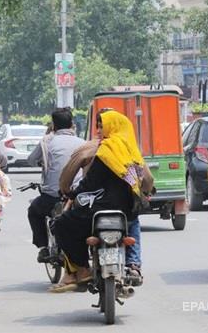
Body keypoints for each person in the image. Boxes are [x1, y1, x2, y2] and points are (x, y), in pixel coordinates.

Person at [51, 110, 146, 292]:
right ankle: (134, 265)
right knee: (134, 223)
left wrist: (72, 194)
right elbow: (143, 179)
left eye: (102, 126)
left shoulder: (105, 149)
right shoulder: (132, 150)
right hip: (127, 208)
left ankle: (82, 267)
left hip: (103, 206)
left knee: (61, 224)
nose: (99, 130)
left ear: (112, 127)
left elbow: (90, 181)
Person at [26, 108, 85, 263]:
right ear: (72, 124)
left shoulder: (47, 142)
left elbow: (31, 160)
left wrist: (42, 162)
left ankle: (43, 247)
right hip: (77, 195)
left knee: (33, 211)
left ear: (53, 125)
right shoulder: (83, 144)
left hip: (52, 196)